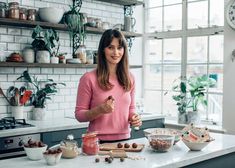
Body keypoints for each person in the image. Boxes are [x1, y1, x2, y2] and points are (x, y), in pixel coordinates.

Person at [75, 29, 142, 142]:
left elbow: (131, 108)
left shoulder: (130, 78)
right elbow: (79, 115)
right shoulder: (88, 78)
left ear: (124, 50)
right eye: (110, 47)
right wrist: (99, 110)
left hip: (125, 139)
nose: (116, 52)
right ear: (102, 50)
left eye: (119, 48)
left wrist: (134, 117)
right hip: (97, 141)